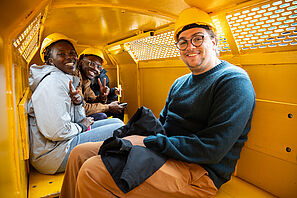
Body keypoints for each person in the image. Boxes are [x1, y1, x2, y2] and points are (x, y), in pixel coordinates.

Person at [60, 7, 255, 198]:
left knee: (93, 171)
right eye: (183, 42)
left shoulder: (233, 80)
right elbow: (161, 125)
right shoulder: (180, 83)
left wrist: (147, 142)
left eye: (198, 38)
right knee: (79, 154)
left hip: (199, 172)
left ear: (213, 41)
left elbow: (213, 149)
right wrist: (134, 135)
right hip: (166, 153)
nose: (190, 47)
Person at [28, 33, 124, 175]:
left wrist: (78, 103)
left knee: (116, 122)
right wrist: (81, 126)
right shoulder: (51, 83)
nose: (69, 57)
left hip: (64, 141)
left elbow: (77, 117)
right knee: (119, 129)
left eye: (72, 53)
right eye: (61, 53)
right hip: (52, 154)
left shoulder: (65, 79)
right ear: (51, 61)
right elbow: (57, 132)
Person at [76, 47, 124, 121]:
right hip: (74, 118)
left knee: (119, 108)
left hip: (83, 113)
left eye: (99, 67)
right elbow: (82, 109)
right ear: (81, 62)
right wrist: (108, 107)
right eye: (92, 63)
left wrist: (102, 96)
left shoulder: (86, 81)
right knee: (101, 116)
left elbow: (93, 100)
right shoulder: (75, 77)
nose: (96, 69)